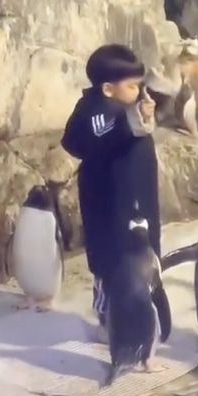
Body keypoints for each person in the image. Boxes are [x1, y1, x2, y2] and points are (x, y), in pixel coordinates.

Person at [60, 44, 161, 337]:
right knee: (111, 265)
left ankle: (138, 322)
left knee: (142, 260)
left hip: (136, 203)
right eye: (132, 86)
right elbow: (89, 134)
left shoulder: (125, 109)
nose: (140, 92)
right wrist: (133, 120)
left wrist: (141, 116)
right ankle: (110, 322)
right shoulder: (95, 110)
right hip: (109, 207)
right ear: (107, 89)